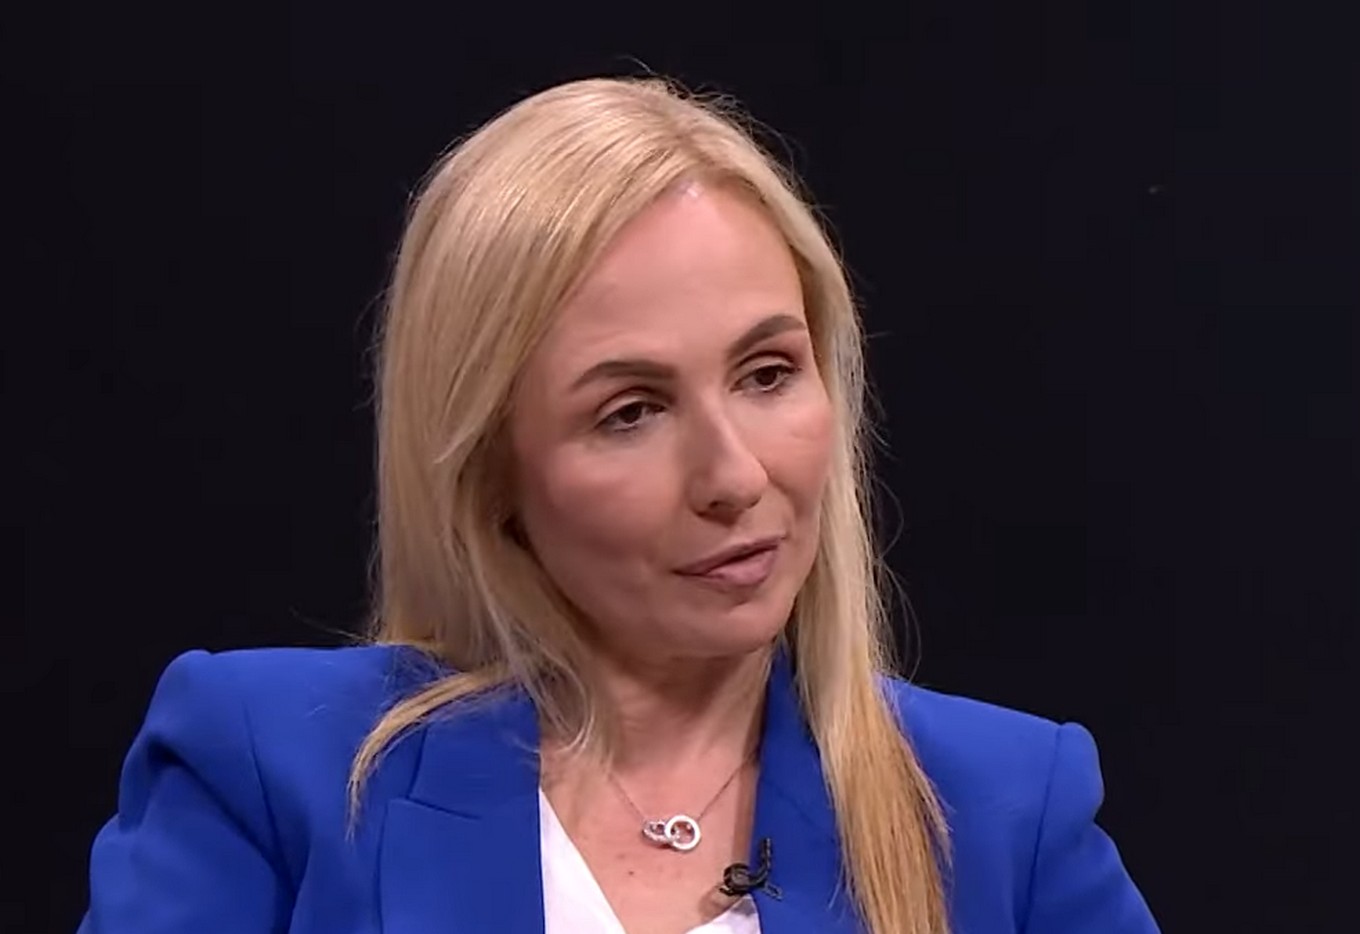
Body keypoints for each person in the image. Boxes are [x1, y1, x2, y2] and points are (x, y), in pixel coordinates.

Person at [79, 76, 1159, 934]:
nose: (735, 476)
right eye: (631, 411)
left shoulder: (1004, 811)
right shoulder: (271, 773)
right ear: (492, 468)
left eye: (768, 373)